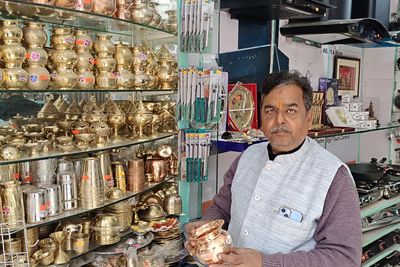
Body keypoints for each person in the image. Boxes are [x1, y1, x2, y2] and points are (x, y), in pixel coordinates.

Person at [185, 70, 362, 267]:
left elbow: (344, 258)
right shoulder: (247, 157)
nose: (279, 120)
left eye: (291, 110)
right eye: (270, 110)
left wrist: (265, 262)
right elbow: (222, 208)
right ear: (261, 116)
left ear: (309, 118)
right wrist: (205, 229)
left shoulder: (333, 177)